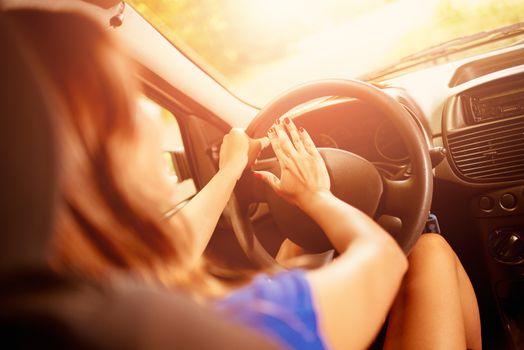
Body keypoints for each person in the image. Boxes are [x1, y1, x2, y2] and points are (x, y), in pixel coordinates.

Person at [9, 8, 481, 350]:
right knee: (430, 250)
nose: (152, 128)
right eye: (133, 112)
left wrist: (233, 168)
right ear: (95, 164)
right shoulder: (195, 327)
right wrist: (316, 197)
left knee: (296, 253)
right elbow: (381, 261)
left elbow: (161, 258)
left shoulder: (60, 311)